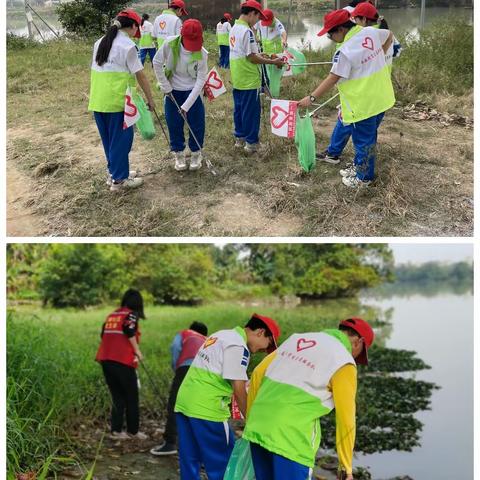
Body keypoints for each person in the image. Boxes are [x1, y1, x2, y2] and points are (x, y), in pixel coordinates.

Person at [243, 317, 375, 480]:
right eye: (360, 354)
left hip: (258, 426)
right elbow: (346, 419)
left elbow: (257, 373)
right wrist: (346, 467)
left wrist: (250, 420)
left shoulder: (297, 339)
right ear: (358, 342)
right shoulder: (344, 361)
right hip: (290, 438)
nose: (355, 358)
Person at [174, 313, 281, 480]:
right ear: (260, 332)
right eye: (267, 345)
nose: (263, 351)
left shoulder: (221, 335)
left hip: (184, 403)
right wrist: (251, 420)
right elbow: (238, 388)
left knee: (190, 459)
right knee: (224, 464)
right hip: (207, 409)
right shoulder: (238, 347)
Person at [298, 9, 395, 188]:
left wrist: (311, 98)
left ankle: (363, 178)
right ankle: (360, 167)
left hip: (363, 103)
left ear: (341, 30)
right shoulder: (369, 31)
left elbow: (333, 77)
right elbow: (389, 35)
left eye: (330, 35)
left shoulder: (345, 50)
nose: (330, 38)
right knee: (370, 135)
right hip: (381, 97)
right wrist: (380, 53)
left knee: (363, 140)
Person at [88, 9, 155, 192]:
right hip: (118, 102)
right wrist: (150, 99)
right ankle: (119, 181)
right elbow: (141, 76)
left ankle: (114, 173)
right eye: (137, 28)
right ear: (133, 26)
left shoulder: (100, 42)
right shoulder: (128, 46)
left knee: (109, 141)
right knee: (122, 140)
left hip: (98, 100)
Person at [229, 0, 285, 154]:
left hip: (237, 76)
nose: (257, 21)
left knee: (239, 109)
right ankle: (251, 143)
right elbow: (252, 58)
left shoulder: (234, 28)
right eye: (257, 17)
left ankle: (239, 138)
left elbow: (246, 53)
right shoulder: (247, 31)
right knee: (251, 112)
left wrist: (261, 54)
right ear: (252, 13)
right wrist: (272, 61)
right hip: (249, 78)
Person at [153, 19, 208, 171]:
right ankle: (179, 154)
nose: (192, 48)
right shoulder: (169, 44)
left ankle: (196, 153)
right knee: (174, 123)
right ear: (181, 35)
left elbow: (201, 79)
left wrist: (187, 104)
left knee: (197, 124)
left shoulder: (202, 53)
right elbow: (156, 63)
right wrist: (166, 87)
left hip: (193, 91)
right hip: (173, 91)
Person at [95, 289, 148, 440]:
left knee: (117, 396)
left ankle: (116, 431)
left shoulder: (113, 315)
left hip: (106, 360)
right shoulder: (131, 314)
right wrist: (137, 351)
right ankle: (133, 431)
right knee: (132, 396)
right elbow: (128, 329)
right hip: (122, 360)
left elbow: (103, 334)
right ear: (138, 303)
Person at [150, 321, 208, 456]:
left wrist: (177, 367)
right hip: (206, 373)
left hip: (186, 368)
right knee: (199, 406)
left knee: (175, 404)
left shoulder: (185, 333)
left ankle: (170, 443)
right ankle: (199, 444)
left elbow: (175, 347)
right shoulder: (207, 340)